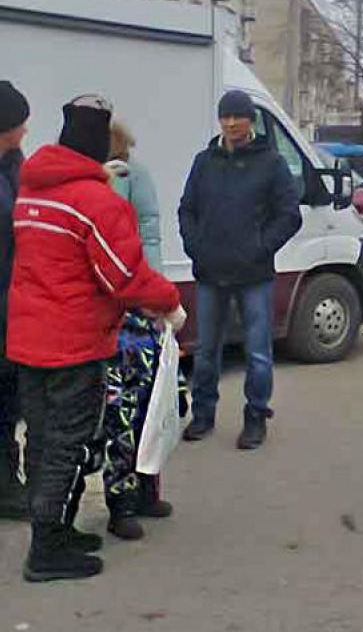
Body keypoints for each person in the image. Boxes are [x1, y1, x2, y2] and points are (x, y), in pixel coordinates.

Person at [7, 95, 185, 582]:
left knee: (43, 437)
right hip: (73, 342)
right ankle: (46, 550)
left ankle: (58, 530)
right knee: (70, 441)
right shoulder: (94, 201)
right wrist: (171, 304)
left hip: (28, 338)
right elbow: (125, 276)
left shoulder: (32, 193)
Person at [178, 90, 302, 450]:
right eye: (225, 117)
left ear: (251, 120)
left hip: (254, 274)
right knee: (205, 351)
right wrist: (194, 245)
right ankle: (203, 415)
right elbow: (187, 209)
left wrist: (261, 247)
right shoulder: (204, 161)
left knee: (259, 352)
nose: (231, 123)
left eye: (238, 116)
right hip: (210, 270)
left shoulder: (272, 163)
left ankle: (255, 417)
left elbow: (289, 216)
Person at [101, 122, 176, 541]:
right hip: (117, 313)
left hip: (137, 308)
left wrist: (154, 295)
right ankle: (122, 501)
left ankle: (145, 489)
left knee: (149, 408)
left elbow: (148, 236)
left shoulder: (132, 176)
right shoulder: (98, 181)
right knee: (123, 413)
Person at [0, 82, 30, 520]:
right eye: (20, 123)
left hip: (11, 301)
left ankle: (8, 480)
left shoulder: (13, 166)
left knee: (8, 396)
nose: (26, 130)